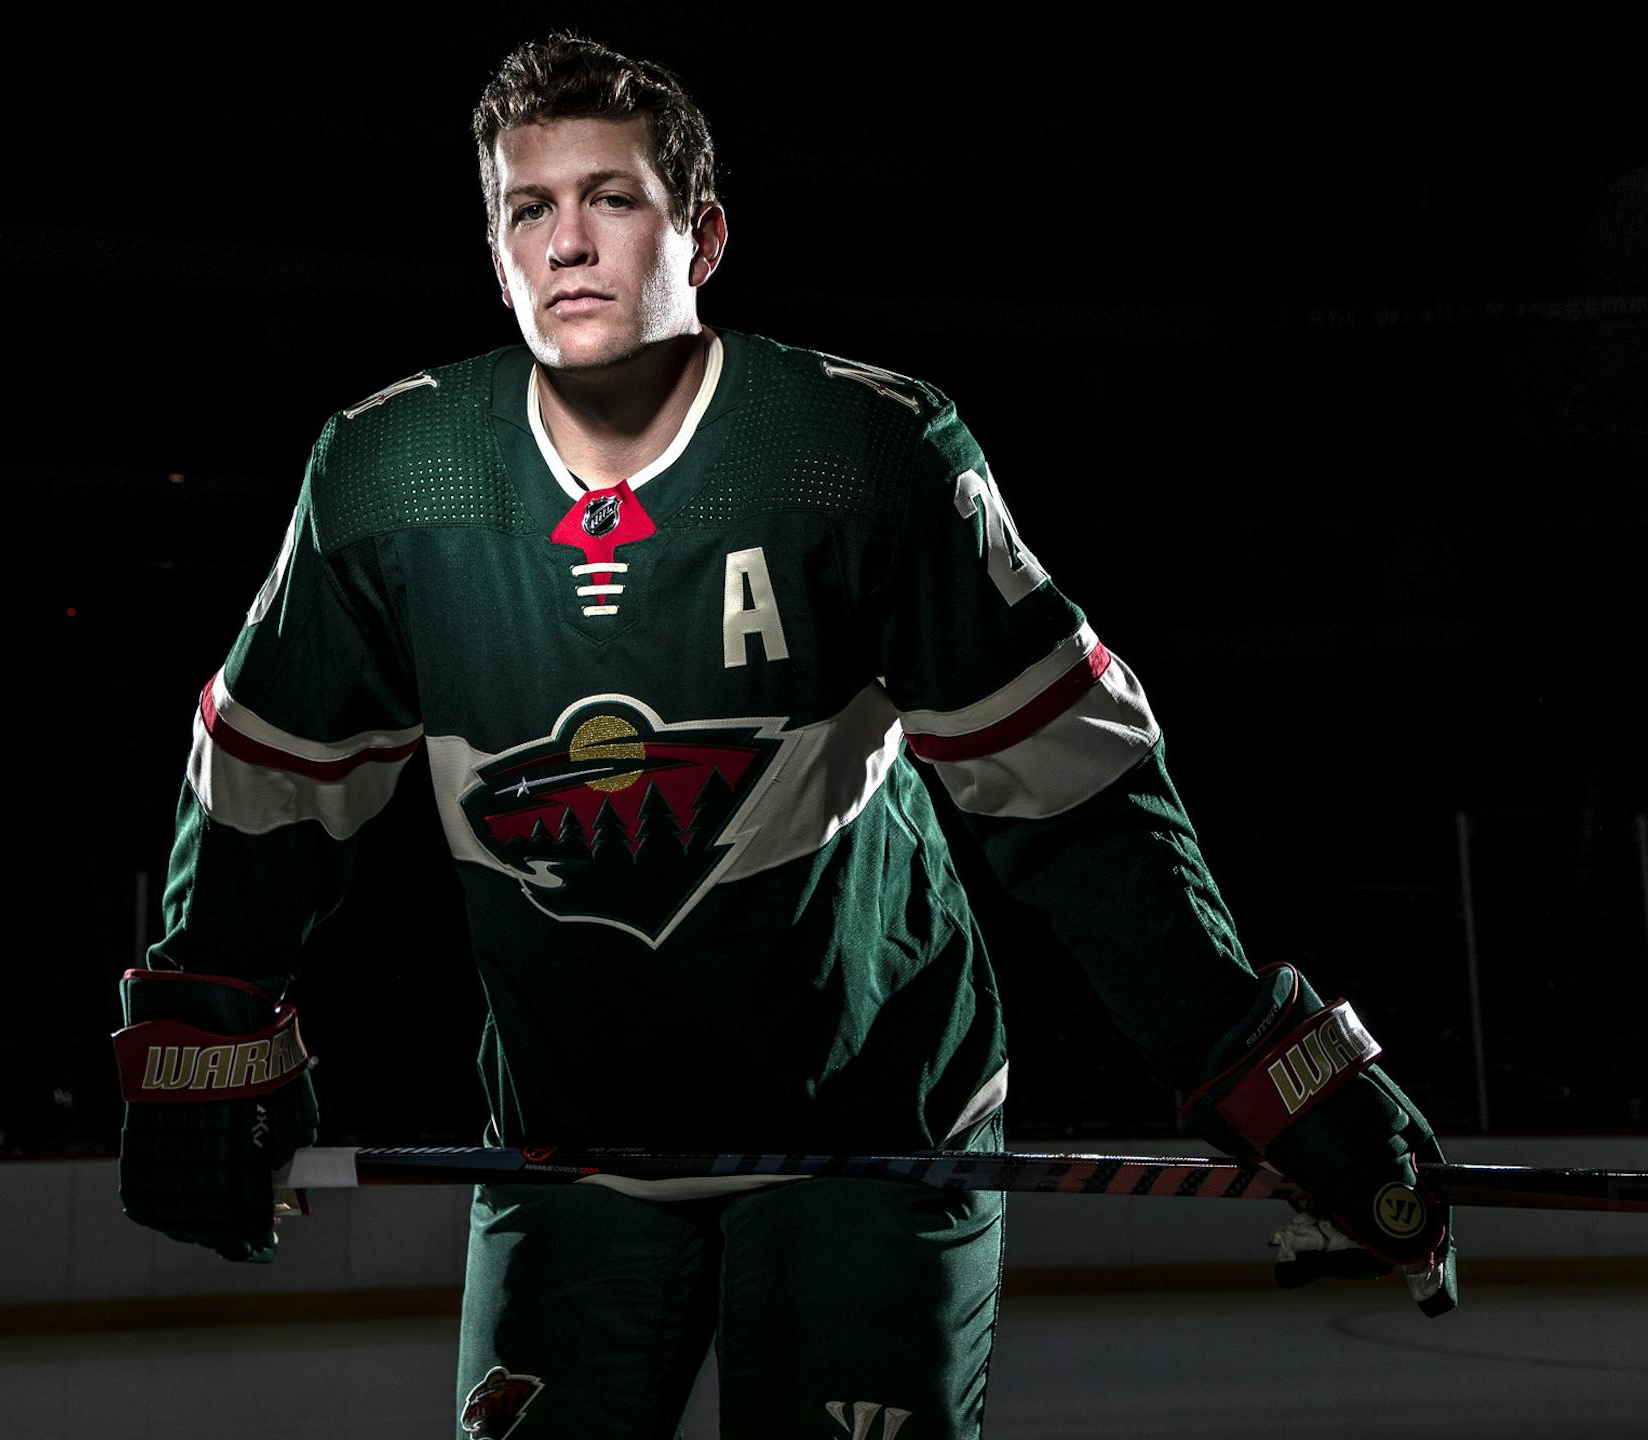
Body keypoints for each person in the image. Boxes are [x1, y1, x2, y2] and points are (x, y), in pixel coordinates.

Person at [112, 33, 1458, 1439]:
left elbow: (1076, 798)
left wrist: (1263, 1059)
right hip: (572, 1147)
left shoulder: (865, 453)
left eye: (612, 199)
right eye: (528, 209)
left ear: (703, 234)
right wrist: (207, 1018)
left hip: (868, 1133)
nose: (566, 244)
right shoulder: (387, 475)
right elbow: (267, 781)